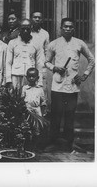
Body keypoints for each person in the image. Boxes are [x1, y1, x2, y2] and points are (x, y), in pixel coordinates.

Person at [45, 18, 95, 151]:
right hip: (58, 86)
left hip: (73, 87)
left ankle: (68, 144)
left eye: (70, 27)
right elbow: (46, 62)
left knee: (70, 116)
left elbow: (92, 60)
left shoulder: (79, 43)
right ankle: (53, 143)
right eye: (65, 27)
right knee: (56, 115)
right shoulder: (54, 44)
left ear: (74, 29)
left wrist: (84, 75)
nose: (68, 29)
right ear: (61, 28)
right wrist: (55, 68)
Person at [6, 19, 44, 91]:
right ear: (19, 29)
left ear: (31, 28)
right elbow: (8, 62)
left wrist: (40, 82)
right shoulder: (12, 43)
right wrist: (8, 80)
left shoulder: (37, 43)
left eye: (28, 29)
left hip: (31, 78)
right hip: (15, 76)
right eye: (23, 29)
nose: (25, 31)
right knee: (14, 99)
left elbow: (40, 63)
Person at [30, 11, 50, 109]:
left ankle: (43, 114)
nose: (37, 19)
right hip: (29, 64)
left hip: (41, 66)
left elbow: (47, 51)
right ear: (31, 18)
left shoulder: (45, 34)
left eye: (39, 17)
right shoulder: (27, 32)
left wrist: (45, 64)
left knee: (42, 89)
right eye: (35, 17)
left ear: (42, 20)